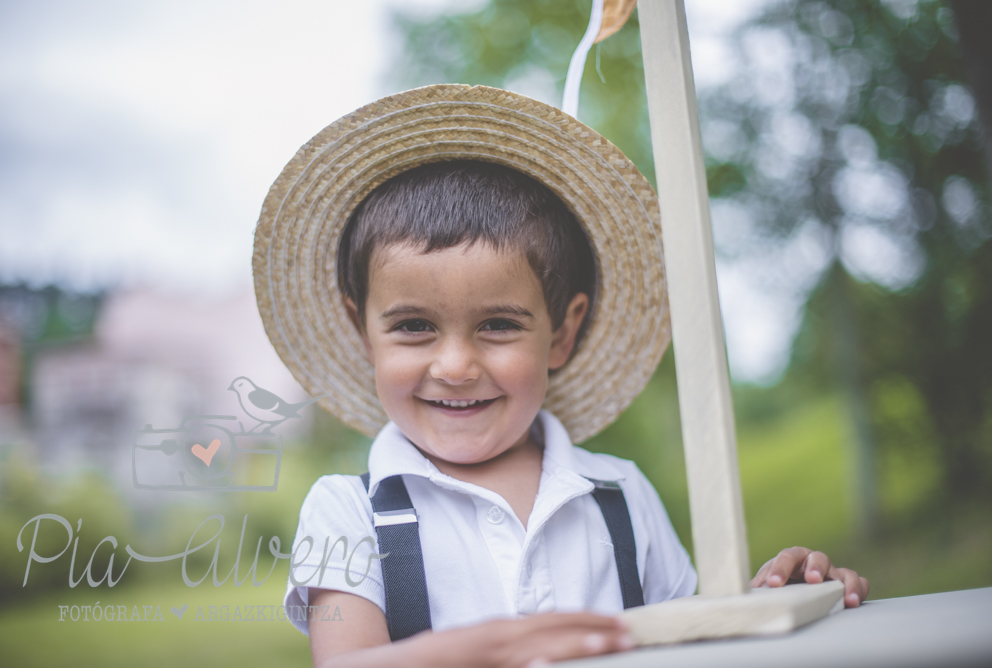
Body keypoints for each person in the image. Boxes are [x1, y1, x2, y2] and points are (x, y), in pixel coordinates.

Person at [252, 85, 869, 668]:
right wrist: (496, 646)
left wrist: (774, 600)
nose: (456, 367)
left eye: (498, 324)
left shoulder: (621, 494)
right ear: (363, 331)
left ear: (564, 332)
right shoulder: (344, 511)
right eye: (414, 326)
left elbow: (693, 646)